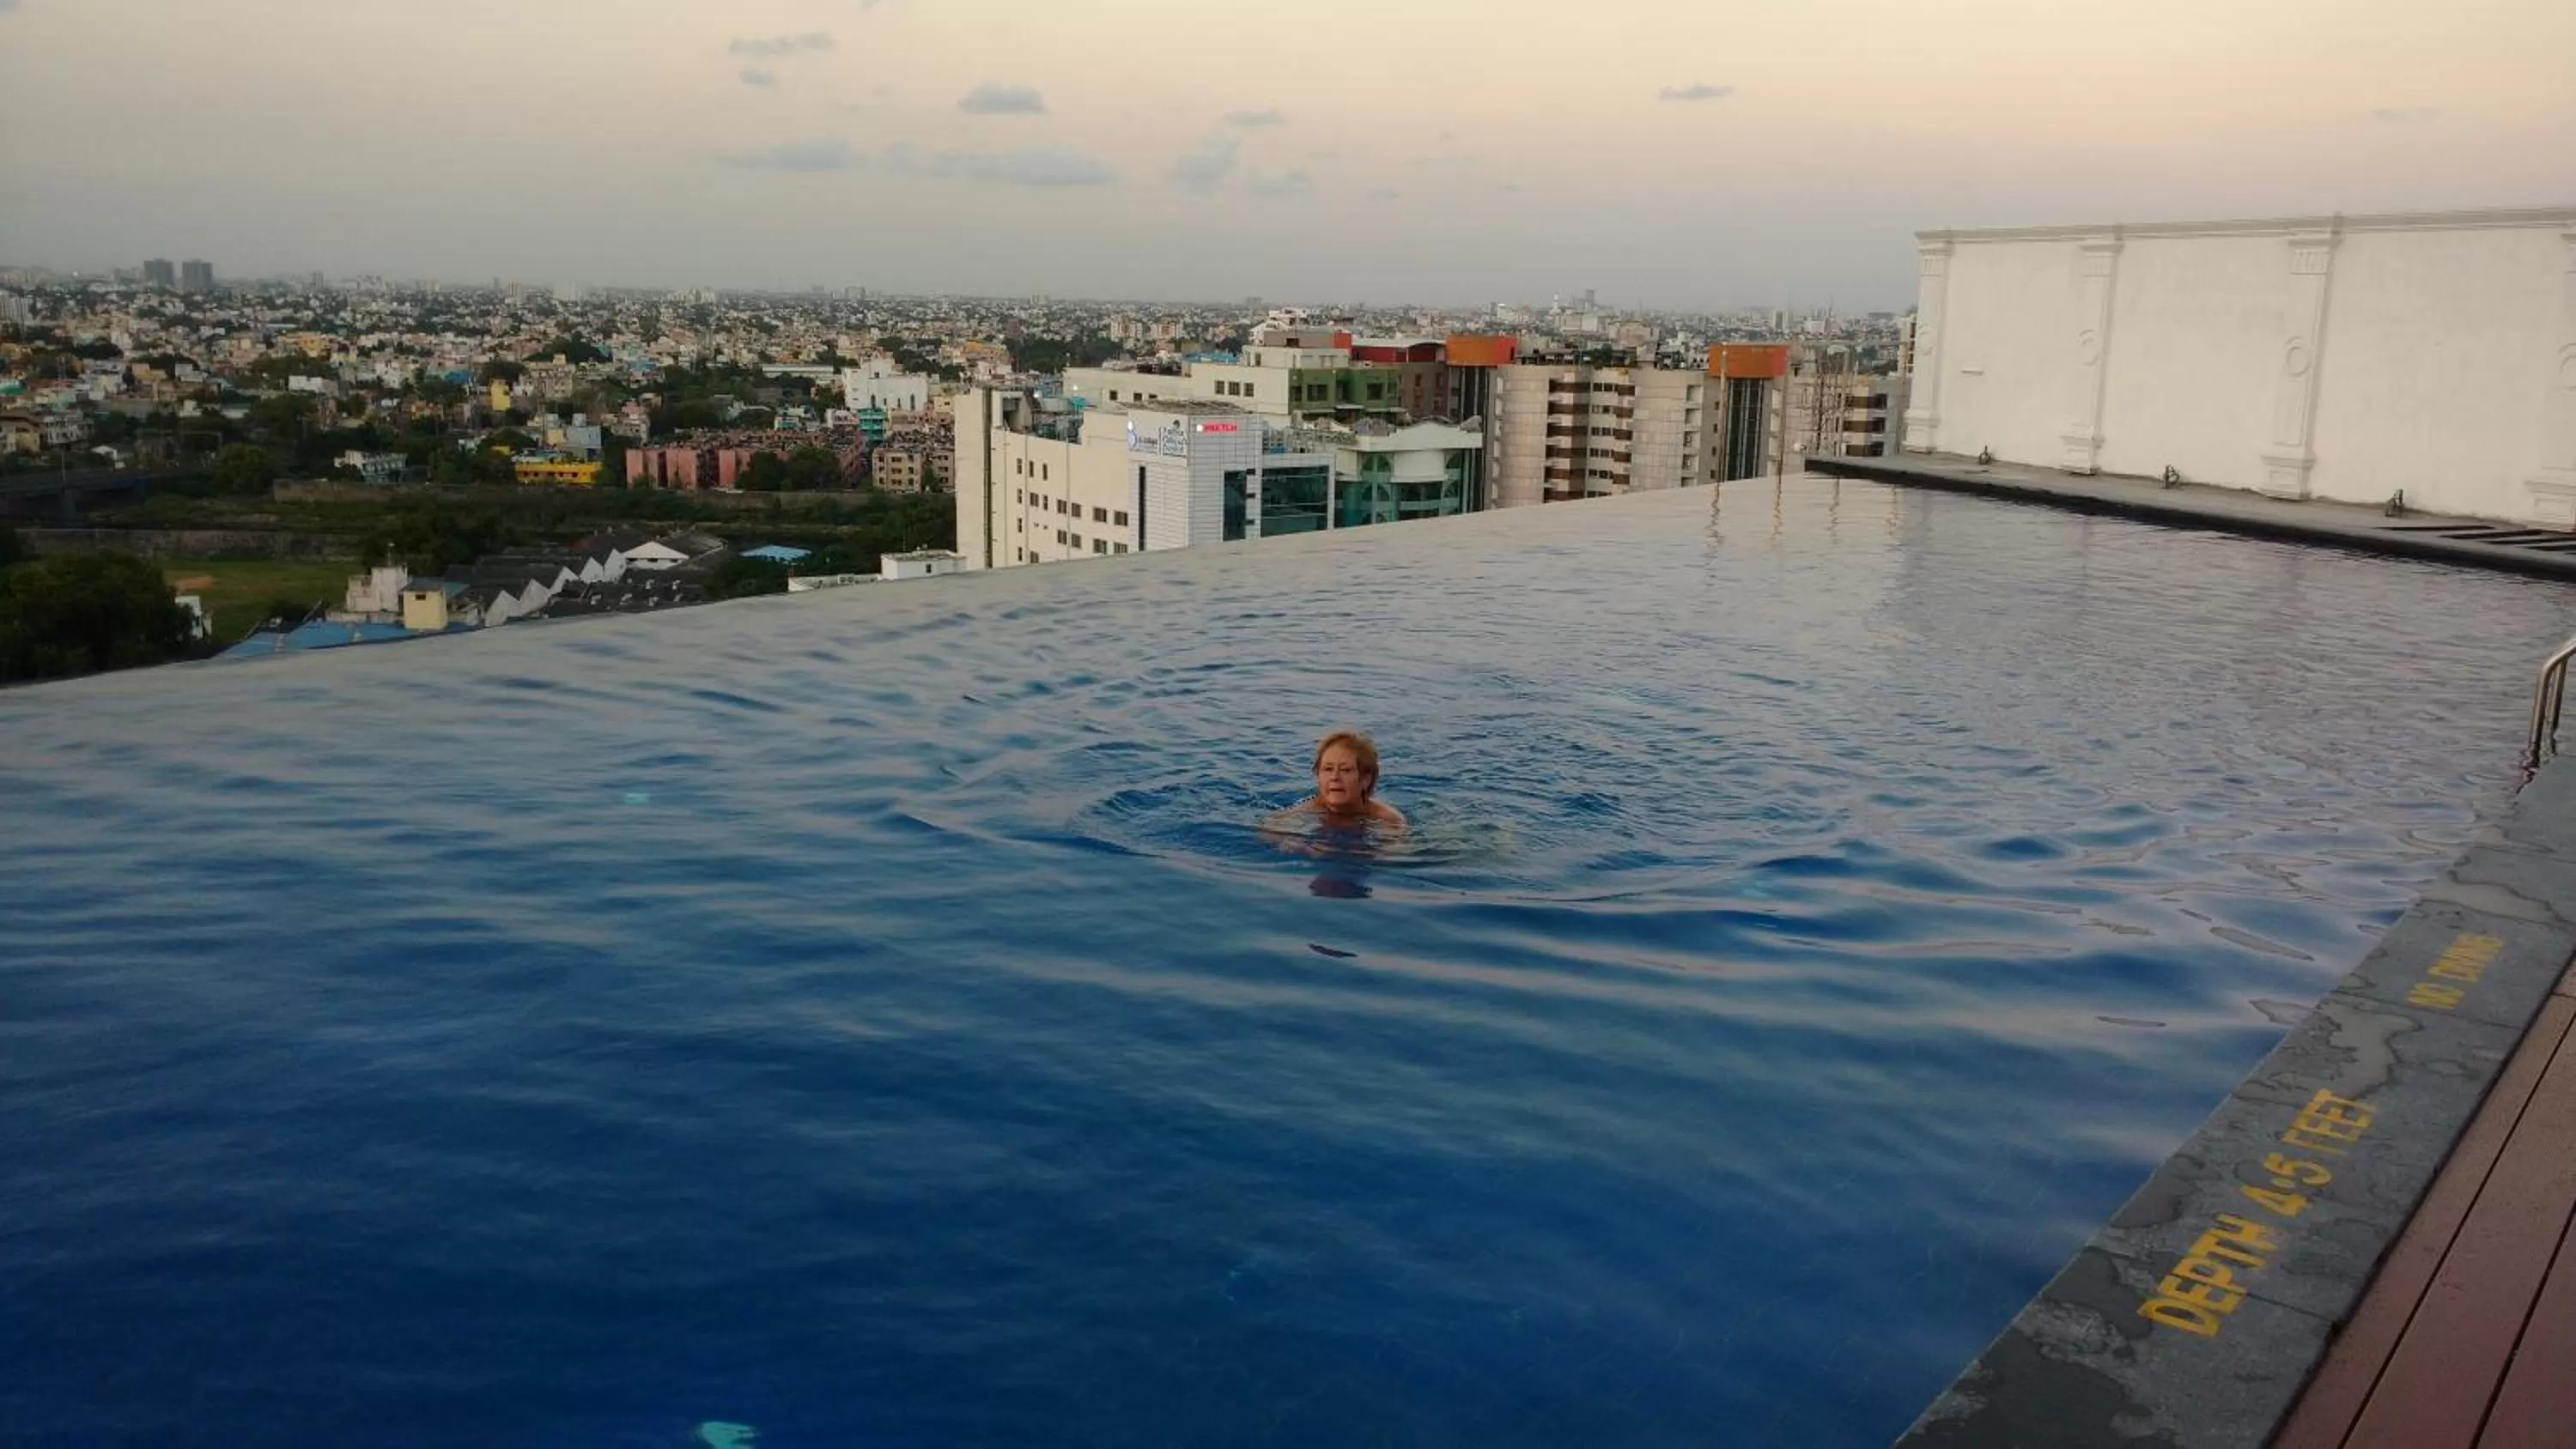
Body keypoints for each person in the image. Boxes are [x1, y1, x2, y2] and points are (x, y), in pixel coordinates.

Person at [1267, 730, 1406, 838]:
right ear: (1317, 776)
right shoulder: (1306, 810)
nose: (1335, 777)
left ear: (1366, 779)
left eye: (1346, 770)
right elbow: (1268, 832)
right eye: (1328, 769)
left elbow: (1396, 853)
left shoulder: (1388, 819)